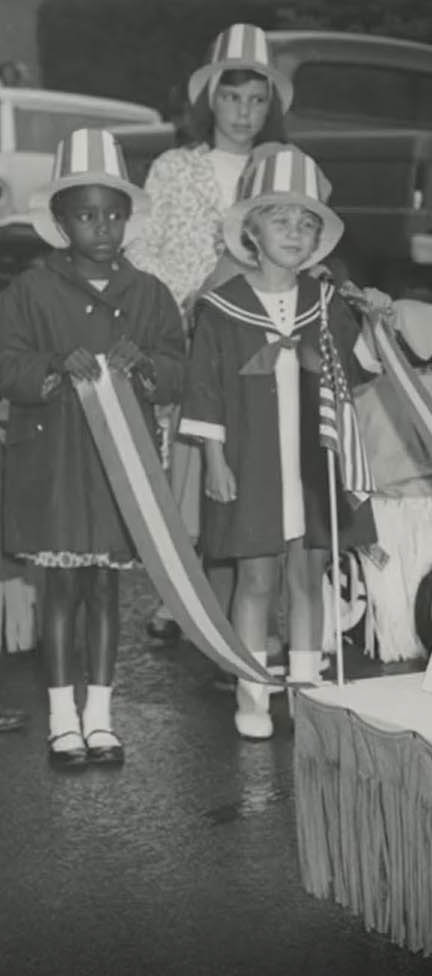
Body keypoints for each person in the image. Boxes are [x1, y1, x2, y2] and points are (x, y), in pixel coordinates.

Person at [0, 129, 186, 767]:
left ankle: (100, 717)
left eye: (113, 215)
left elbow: (178, 367)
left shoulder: (150, 293)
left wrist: (147, 364)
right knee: (60, 589)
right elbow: (7, 361)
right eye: (86, 215)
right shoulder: (31, 290)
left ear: (129, 219)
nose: (102, 228)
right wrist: (52, 363)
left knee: (104, 589)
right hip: (54, 463)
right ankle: (61, 719)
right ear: (59, 220)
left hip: (118, 470)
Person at [180, 145, 374, 740]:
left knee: (308, 576)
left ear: (318, 238)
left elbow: (357, 370)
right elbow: (206, 390)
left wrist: (377, 323)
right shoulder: (221, 308)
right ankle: (252, 691)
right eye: (280, 220)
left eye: (306, 222)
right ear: (252, 232)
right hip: (253, 461)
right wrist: (215, 460)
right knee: (256, 578)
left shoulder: (328, 304)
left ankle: (309, 689)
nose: (294, 231)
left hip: (311, 461)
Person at [127, 22, 291, 645]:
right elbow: (146, 253)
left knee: (252, 468)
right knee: (194, 464)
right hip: (194, 333)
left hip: (262, 341)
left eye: (257, 100)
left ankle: (241, 605)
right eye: (232, 98)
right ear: (210, 100)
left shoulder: (280, 169)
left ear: (270, 106)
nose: (244, 113)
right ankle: (183, 593)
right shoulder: (175, 169)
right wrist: (190, 299)